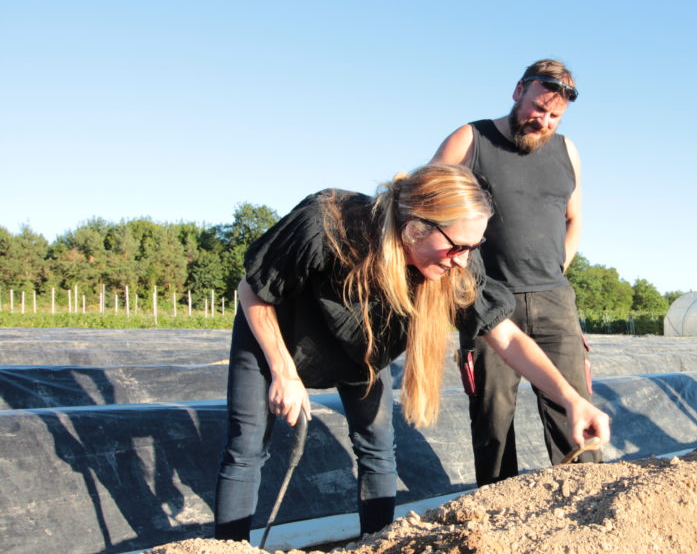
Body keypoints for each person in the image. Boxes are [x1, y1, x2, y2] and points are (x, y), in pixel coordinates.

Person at [214, 163, 610, 541]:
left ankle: (377, 543)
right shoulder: (328, 224)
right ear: (415, 227)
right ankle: (226, 546)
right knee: (246, 448)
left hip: (362, 354)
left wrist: (572, 400)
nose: (463, 260)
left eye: (474, 247)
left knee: (377, 449)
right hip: (276, 338)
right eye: (457, 246)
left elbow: (506, 337)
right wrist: (284, 371)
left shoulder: (456, 266)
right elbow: (253, 288)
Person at [430, 59, 598, 487]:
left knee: (572, 409)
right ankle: (497, 522)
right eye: (537, 108)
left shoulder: (567, 151)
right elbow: (426, 199)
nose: (542, 121)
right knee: (493, 421)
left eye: (553, 116)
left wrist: (556, 267)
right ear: (517, 91)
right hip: (488, 300)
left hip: (554, 301)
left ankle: (587, 504)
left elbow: (574, 219)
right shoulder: (471, 139)